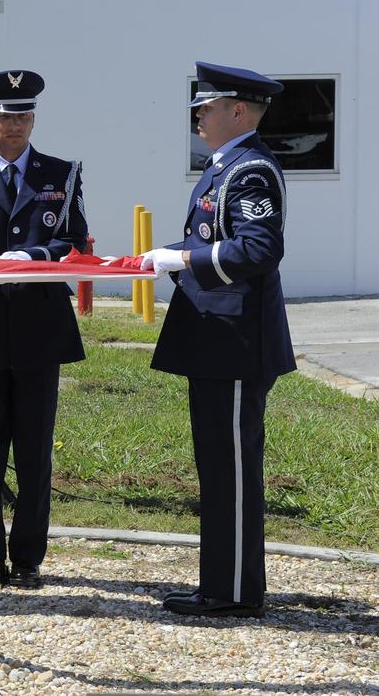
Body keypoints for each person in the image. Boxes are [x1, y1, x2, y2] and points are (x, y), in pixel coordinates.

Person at [141, 61, 294, 618]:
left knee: (230, 470)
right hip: (217, 342)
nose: (197, 116)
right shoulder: (225, 165)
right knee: (219, 466)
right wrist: (173, 258)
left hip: (234, 343)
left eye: (206, 107)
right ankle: (225, 585)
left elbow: (258, 250)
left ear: (237, 110)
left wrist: (182, 258)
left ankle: (232, 592)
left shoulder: (249, 169)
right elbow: (214, 238)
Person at [0, 70, 87, 589]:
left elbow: (74, 239)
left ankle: (28, 557)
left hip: (41, 327)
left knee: (35, 450)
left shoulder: (61, 174)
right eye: (4, 114)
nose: (13, 124)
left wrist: (33, 255)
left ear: (33, 118)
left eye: (22, 115)